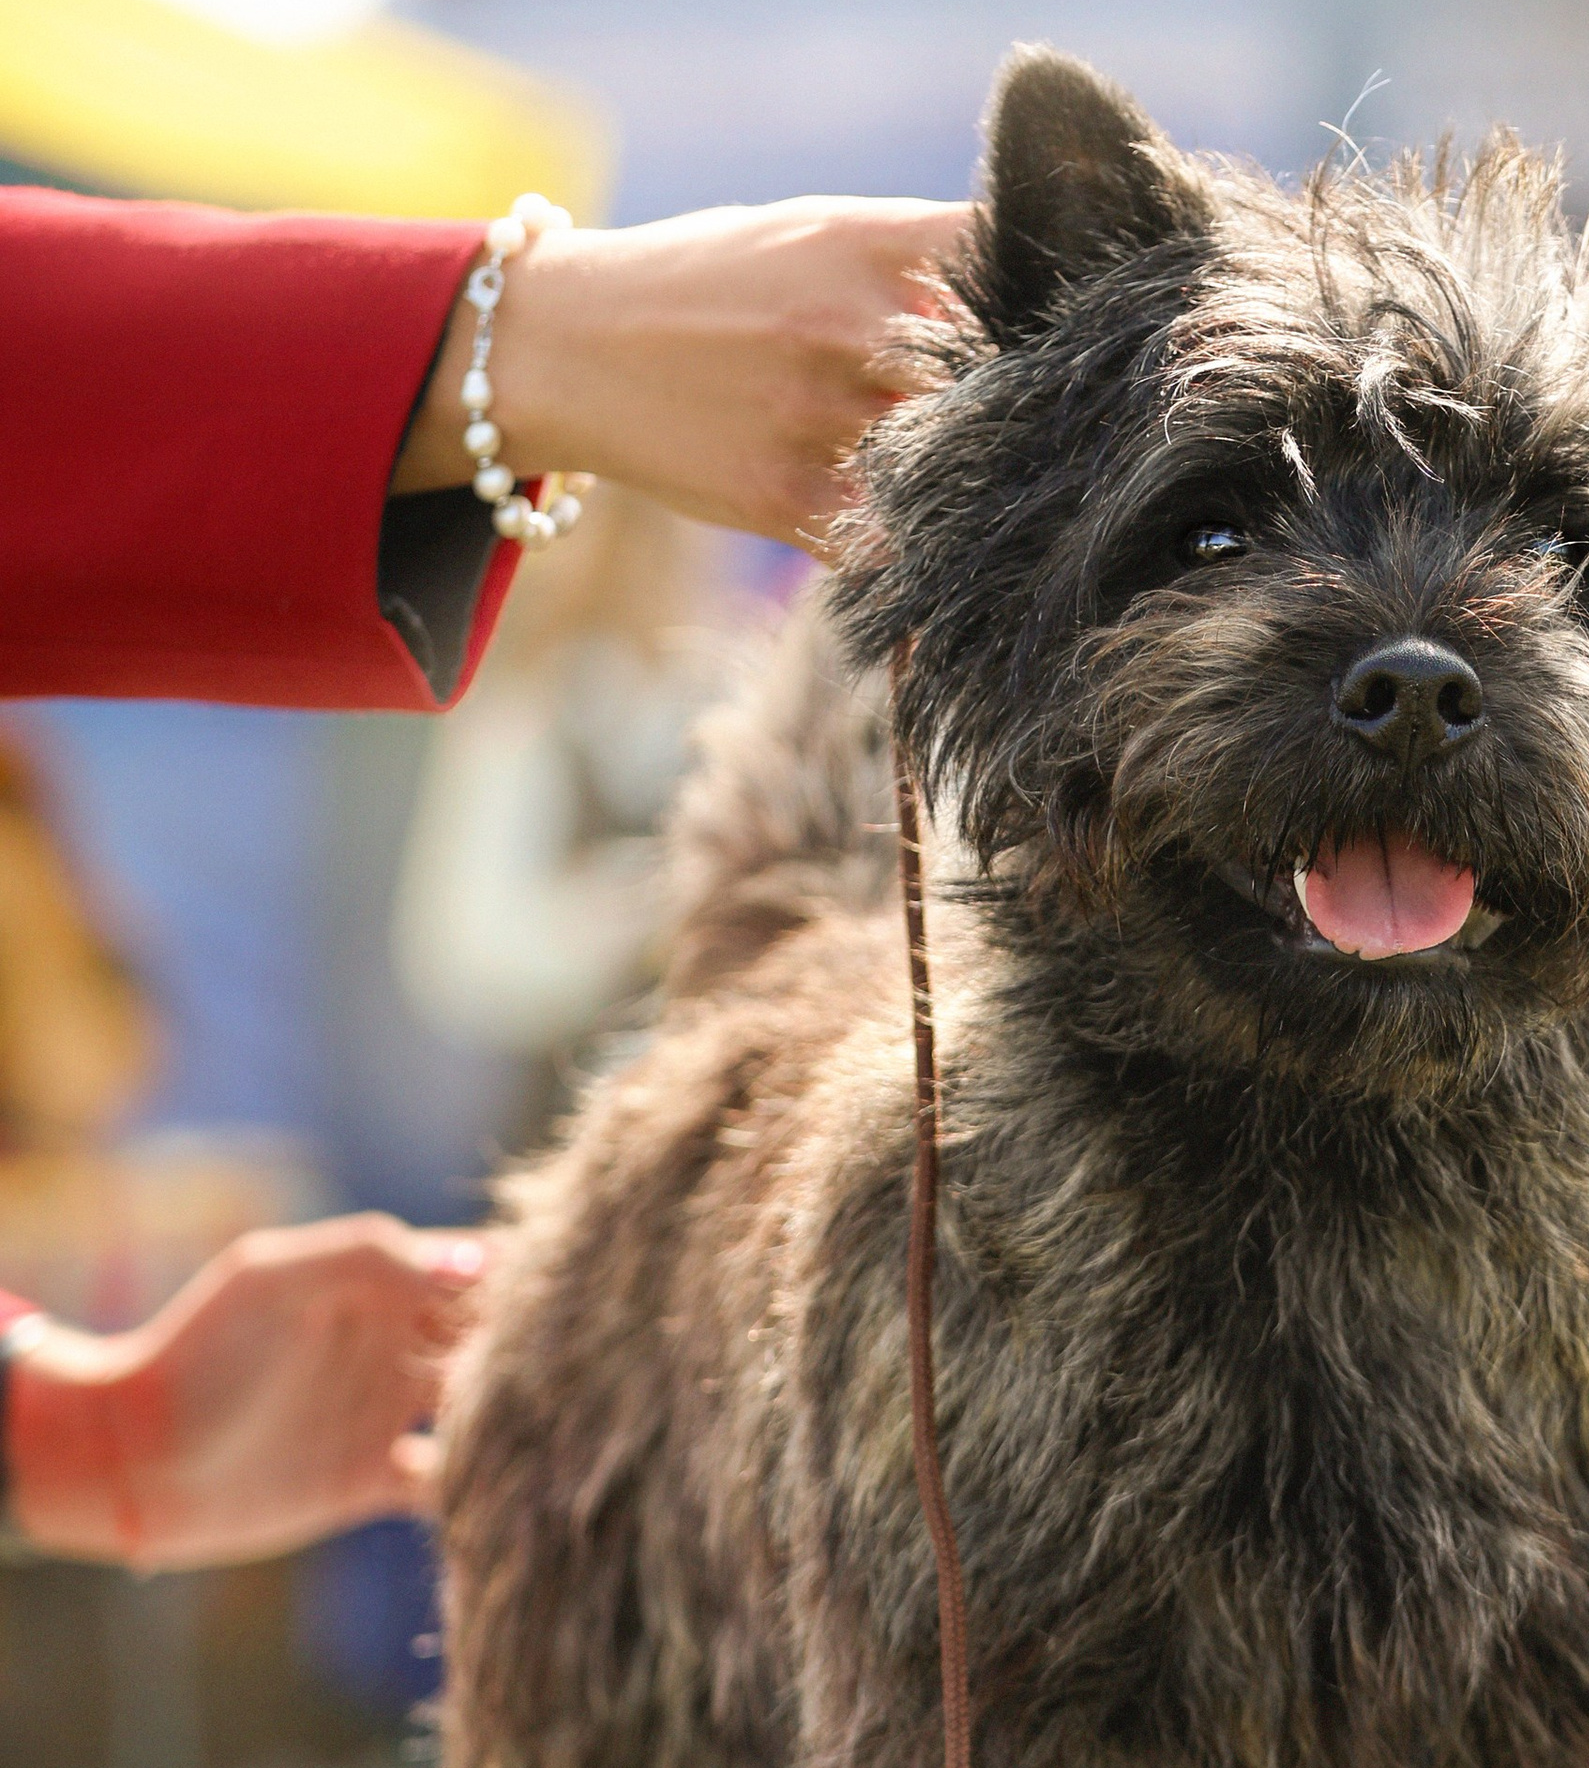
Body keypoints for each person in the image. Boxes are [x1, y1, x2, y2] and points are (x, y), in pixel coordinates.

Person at [0, 173, 966, 1564]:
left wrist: (58, 1431)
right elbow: (472, 946)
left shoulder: (706, 690)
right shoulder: (534, 722)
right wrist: (507, 342)